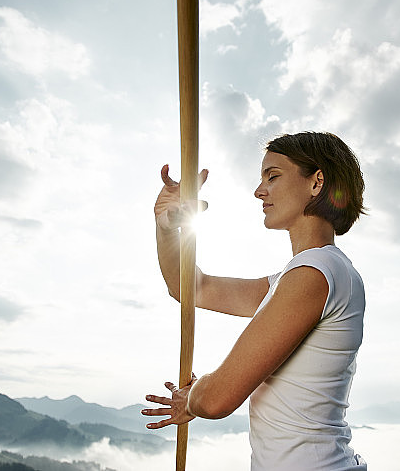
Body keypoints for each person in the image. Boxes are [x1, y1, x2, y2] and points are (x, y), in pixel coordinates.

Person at [142, 131, 368, 470]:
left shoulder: (315, 274)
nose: (259, 191)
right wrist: (166, 226)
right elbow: (190, 288)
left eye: (272, 176)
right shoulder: (302, 276)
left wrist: (197, 396)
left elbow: (217, 399)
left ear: (317, 181)